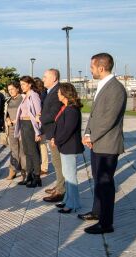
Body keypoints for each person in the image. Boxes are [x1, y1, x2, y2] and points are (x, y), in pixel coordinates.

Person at [79, 53, 127, 234]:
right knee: (98, 181)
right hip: (98, 142)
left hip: (107, 144)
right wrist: (87, 133)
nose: (90, 70)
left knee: (105, 183)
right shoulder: (103, 86)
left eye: (92, 67)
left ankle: (106, 223)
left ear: (101, 67)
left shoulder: (115, 89)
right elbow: (94, 116)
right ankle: (96, 212)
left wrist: (92, 137)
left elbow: (109, 119)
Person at [51, 83, 84, 214]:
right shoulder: (66, 108)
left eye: (59, 92)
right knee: (67, 174)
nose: (57, 94)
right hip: (65, 146)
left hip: (70, 146)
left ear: (65, 94)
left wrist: (57, 140)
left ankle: (73, 204)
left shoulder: (72, 109)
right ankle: (67, 199)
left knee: (70, 177)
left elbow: (67, 130)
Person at [40, 69, 66, 203]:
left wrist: (41, 119)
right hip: (51, 131)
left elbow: (55, 113)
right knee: (56, 162)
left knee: (58, 162)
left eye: (45, 77)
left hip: (55, 132)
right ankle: (59, 185)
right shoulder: (50, 91)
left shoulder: (57, 91)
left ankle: (60, 191)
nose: (43, 79)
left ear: (54, 78)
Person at [14, 76, 42, 187]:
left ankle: (37, 177)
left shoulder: (34, 95)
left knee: (34, 152)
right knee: (27, 152)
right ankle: (29, 176)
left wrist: (38, 132)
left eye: (23, 84)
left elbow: (38, 114)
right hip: (24, 125)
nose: (21, 87)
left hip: (31, 126)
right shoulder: (25, 96)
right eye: (21, 84)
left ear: (30, 84)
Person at [4, 81, 26, 180]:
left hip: (22, 127)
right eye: (9, 90)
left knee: (23, 150)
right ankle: (12, 170)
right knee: (13, 150)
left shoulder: (24, 98)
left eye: (12, 89)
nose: (11, 91)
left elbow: (27, 112)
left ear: (17, 88)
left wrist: (17, 120)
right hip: (11, 128)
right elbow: (6, 114)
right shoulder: (8, 101)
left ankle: (24, 171)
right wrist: (8, 119)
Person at [34, 77, 49, 175]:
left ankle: (44, 167)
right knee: (41, 145)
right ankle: (42, 165)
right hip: (39, 122)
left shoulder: (42, 95)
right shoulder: (43, 93)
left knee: (42, 145)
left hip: (41, 123)